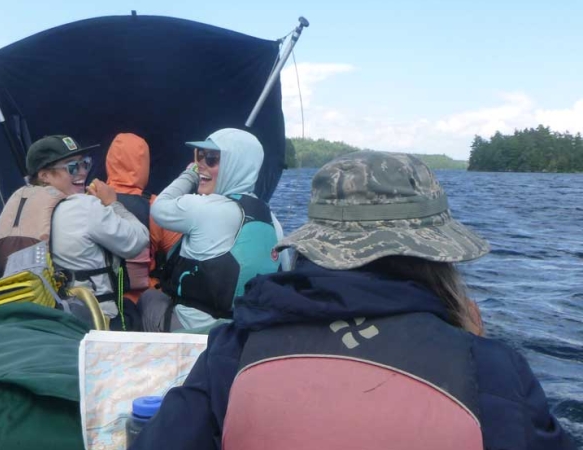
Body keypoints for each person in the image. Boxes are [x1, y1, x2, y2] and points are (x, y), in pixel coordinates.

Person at [130, 151, 575, 450]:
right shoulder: (492, 368)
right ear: (437, 258)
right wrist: (472, 346)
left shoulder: (233, 348)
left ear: (315, 247)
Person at [0, 135, 149, 323]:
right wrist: (113, 204)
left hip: (36, 317)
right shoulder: (87, 206)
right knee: (138, 307)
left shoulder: (17, 210)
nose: (82, 172)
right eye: (72, 167)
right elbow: (137, 242)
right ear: (44, 175)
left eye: (85, 164)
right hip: (94, 318)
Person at [139, 128, 290, 332]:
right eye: (199, 156)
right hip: (244, 331)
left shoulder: (204, 207)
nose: (201, 164)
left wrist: (190, 174)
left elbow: (159, 208)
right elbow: (285, 270)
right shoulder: (273, 221)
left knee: (149, 297)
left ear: (234, 165)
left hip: (193, 331)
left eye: (211, 159)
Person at [104, 133, 182, 303]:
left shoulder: (90, 200)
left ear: (109, 161)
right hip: (144, 300)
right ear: (144, 164)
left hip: (101, 300)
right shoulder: (156, 206)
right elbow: (178, 256)